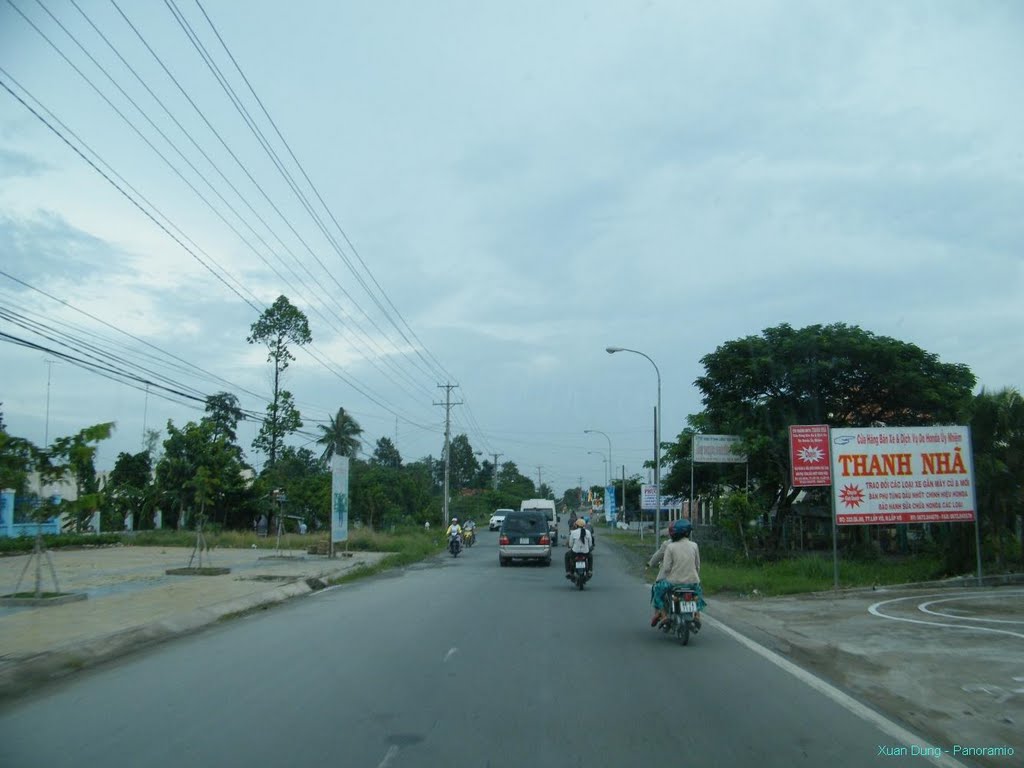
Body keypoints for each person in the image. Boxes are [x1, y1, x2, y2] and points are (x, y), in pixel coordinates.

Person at [647, 518, 705, 629]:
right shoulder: (694, 545)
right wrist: (694, 576)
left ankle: (663, 616)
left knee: (657, 591)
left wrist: (667, 575)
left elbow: (667, 568)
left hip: (673, 582)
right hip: (693, 582)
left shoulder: (670, 546)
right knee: (698, 595)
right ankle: (697, 615)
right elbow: (697, 565)